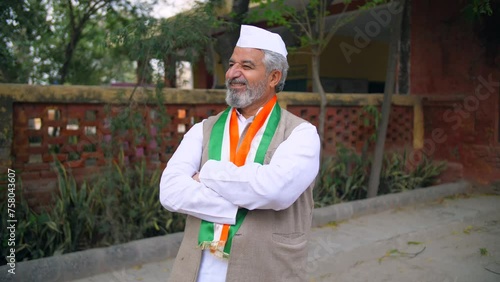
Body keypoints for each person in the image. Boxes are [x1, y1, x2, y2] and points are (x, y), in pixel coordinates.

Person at [159, 25, 320, 282]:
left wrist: (208, 174)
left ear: (273, 77)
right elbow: (169, 192)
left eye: (246, 66)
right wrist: (244, 204)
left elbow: (275, 191)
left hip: (268, 271)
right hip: (197, 272)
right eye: (232, 64)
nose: (233, 73)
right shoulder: (203, 129)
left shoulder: (301, 134)